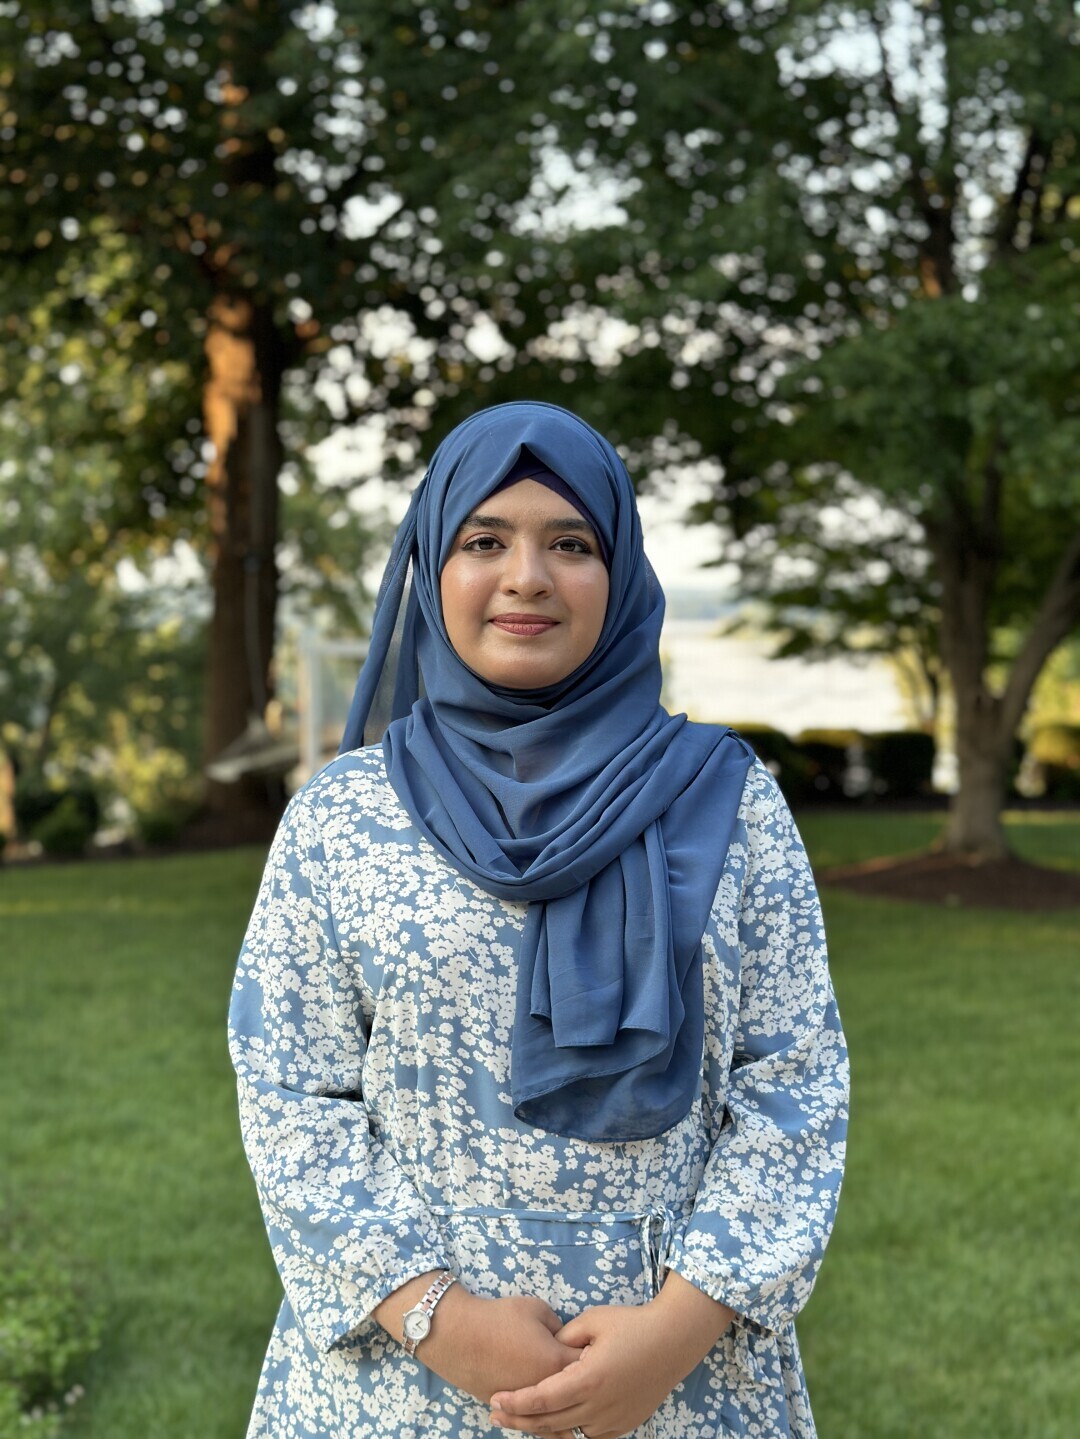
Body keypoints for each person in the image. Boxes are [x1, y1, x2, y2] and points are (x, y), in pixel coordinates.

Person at [228, 400, 848, 1439]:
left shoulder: (729, 802)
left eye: (570, 543)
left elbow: (796, 1086)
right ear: (432, 567)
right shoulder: (341, 817)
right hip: (397, 1380)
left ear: (621, 572)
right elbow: (291, 1087)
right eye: (484, 540)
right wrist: (439, 1315)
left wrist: (672, 1332)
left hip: (680, 1378)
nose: (527, 576)